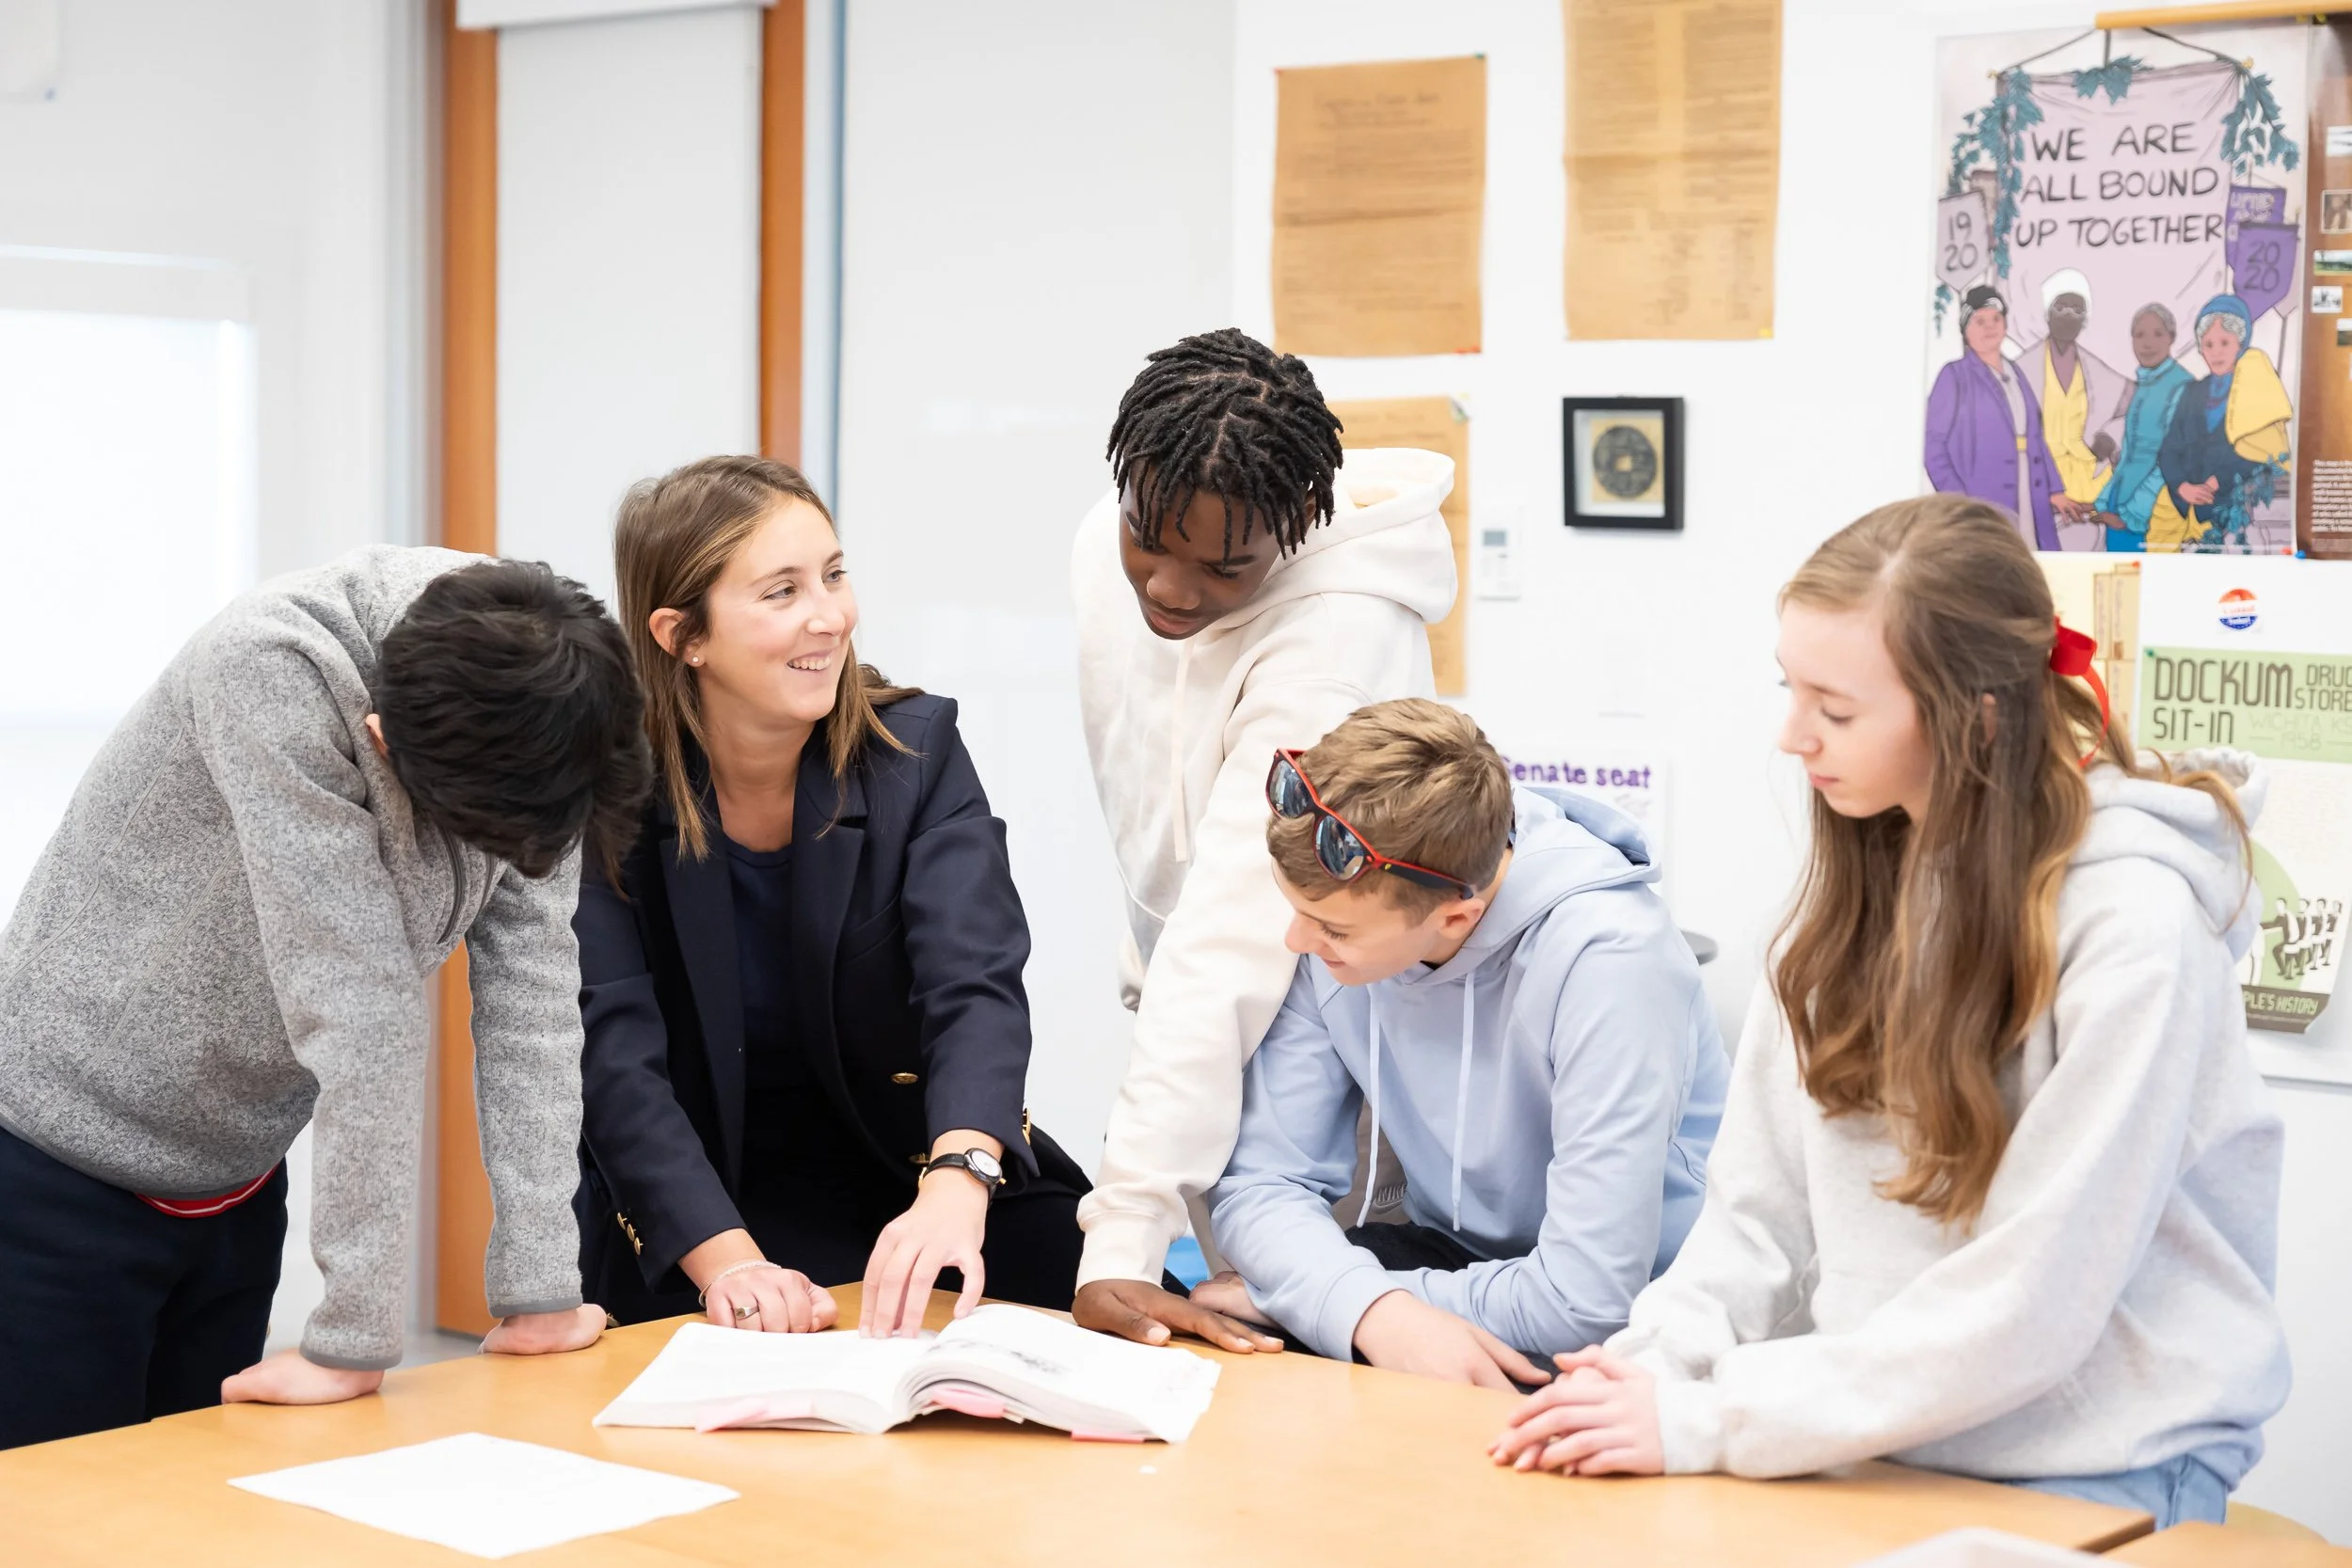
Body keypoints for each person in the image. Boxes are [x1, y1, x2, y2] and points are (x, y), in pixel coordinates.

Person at [1488, 495, 2290, 1530]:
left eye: (1835, 707)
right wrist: (1637, 1380)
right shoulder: (1844, 906)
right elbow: (1754, 1224)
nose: (1792, 735)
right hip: (1869, 1439)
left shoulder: (2134, 928)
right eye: (1792, 690)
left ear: (1975, 713)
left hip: (2096, 1469)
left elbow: (2031, 1303)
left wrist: (1711, 1419)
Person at [0, 548, 650, 1449]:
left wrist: (540, 1286)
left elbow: (533, 997)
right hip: (51, 1163)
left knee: (198, 1512)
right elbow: (361, 1007)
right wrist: (353, 1336)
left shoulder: (549, 702)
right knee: (55, 1518)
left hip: (238, 1167)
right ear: (381, 738)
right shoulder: (270, 669)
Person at [574, 455, 1091, 1341]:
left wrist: (959, 1181)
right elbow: (615, 1062)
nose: (831, 614)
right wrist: (728, 1262)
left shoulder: (917, 755)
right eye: (782, 591)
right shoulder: (605, 797)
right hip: (708, 1206)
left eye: (834, 574)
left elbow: (975, 988)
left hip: (916, 1167)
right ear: (682, 634)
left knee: (1098, 1292)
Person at [1067, 327, 1457, 1353]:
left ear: (1290, 532)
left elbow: (1234, 930)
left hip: (1333, 1035)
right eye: (1148, 537)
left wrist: (1122, 1231)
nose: (1171, 587)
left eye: (1224, 565)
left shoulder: (1331, 644)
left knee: (1320, 1360)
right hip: (1194, 1014)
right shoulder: (1112, 546)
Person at [1187, 700, 1727, 1388]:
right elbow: (1262, 1183)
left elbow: (1586, 1300)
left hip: (1651, 1313)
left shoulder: (1613, 959)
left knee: (1300, 1316)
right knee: (1240, 1335)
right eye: (1295, 910)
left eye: (1333, 930)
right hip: (1459, 1265)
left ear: (1457, 915)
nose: (1298, 941)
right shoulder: (1338, 915)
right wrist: (1373, 1310)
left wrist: (1356, 1302)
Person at [1924, 284, 2079, 549]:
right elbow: (1932, 446)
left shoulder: (2016, 372)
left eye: (1996, 319)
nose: (1990, 327)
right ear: (1965, 330)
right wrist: (1959, 500)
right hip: (1982, 495)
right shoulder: (1954, 376)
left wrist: (2054, 489)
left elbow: (2035, 437)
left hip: (2030, 486)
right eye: (1979, 321)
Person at [2152, 293, 2293, 552]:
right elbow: (2169, 449)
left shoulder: (2254, 392)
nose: (2216, 352)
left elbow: (2258, 454)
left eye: (2224, 343)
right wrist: (2182, 486)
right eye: (2208, 344)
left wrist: (2217, 481)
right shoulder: (2192, 392)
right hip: (2176, 504)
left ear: (2240, 344)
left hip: (2223, 507)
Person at [2012, 269, 2130, 534]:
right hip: (2041, 480)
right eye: (2061, 307)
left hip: (2091, 482)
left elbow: (2135, 411)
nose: (2068, 315)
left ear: (2084, 320)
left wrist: (2110, 436)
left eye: (2077, 309)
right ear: (2048, 314)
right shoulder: (2019, 369)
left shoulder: (2100, 372)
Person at [2089, 304, 2194, 552]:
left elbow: (2174, 463)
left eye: (2158, 334)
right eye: (2140, 335)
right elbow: (2129, 456)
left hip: (2149, 516)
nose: (2148, 343)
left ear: (2172, 338)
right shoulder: (2145, 384)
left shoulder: (2183, 386)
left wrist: (2131, 516)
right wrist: (2103, 502)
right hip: (2121, 507)